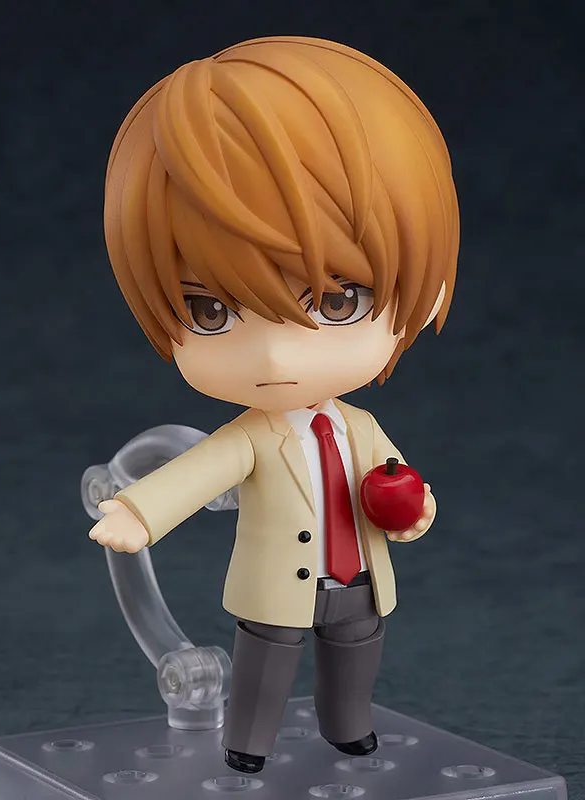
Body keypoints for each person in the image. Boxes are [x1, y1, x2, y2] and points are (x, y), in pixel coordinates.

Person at [89, 35, 459, 774]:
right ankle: (248, 744)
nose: (275, 358)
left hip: (358, 580)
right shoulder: (250, 437)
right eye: (210, 311)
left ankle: (349, 728)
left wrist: (414, 510)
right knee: (265, 665)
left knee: (356, 654)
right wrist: (137, 512)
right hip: (276, 588)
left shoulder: (360, 427)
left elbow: (394, 479)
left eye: (336, 301)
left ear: (429, 293)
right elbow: (196, 471)